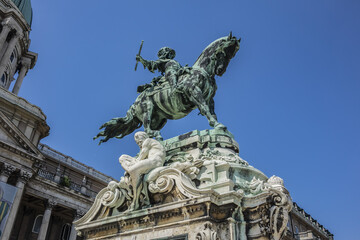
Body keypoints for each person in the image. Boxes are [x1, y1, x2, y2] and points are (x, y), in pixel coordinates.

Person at [119, 131, 165, 210]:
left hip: (155, 161)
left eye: (140, 141)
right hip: (150, 162)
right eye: (138, 143)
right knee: (122, 157)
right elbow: (140, 159)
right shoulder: (148, 146)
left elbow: (141, 156)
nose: (139, 144)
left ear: (144, 137)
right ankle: (129, 172)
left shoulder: (148, 141)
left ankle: (136, 201)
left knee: (133, 170)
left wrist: (131, 168)